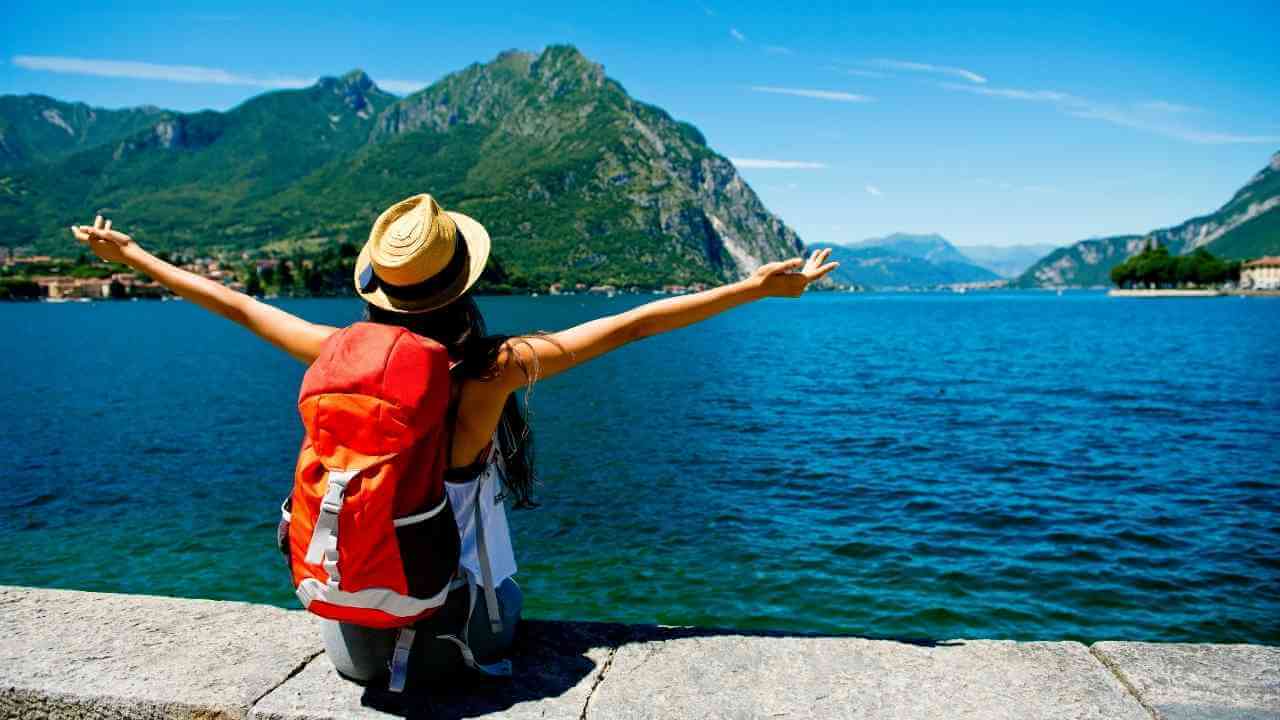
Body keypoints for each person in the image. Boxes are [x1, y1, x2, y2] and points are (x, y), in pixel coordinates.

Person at [69, 194, 838, 683]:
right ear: (461, 283)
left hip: (353, 638)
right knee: (509, 590)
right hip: (468, 633)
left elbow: (235, 306)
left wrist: (133, 256)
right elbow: (634, 324)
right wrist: (758, 287)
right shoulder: (490, 370)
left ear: (382, 285)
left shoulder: (333, 350)